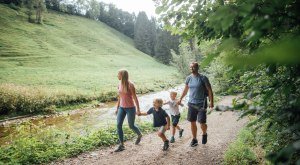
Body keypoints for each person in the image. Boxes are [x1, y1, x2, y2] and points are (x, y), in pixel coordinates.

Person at [177, 62, 214, 147]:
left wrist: (211, 102)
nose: (192, 69)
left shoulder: (203, 78)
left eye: (193, 67)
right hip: (191, 103)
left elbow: (209, 90)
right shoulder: (188, 78)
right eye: (191, 67)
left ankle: (204, 133)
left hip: (202, 103)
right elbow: (185, 90)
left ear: (197, 68)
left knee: (202, 123)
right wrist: (180, 98)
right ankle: (194, 139)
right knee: (192, 122)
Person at [114, 69, 142, 152]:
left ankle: (139, 134)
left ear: (122, 75)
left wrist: (138, 109)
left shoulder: (130, 85)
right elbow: (120, 97)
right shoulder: (119, 84)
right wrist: (117, 108)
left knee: (131, 125)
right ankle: (121, 145)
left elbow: (135, 98)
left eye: (118, 74)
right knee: (118, 125)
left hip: (130, 108)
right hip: (122, 108)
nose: (117, 76)